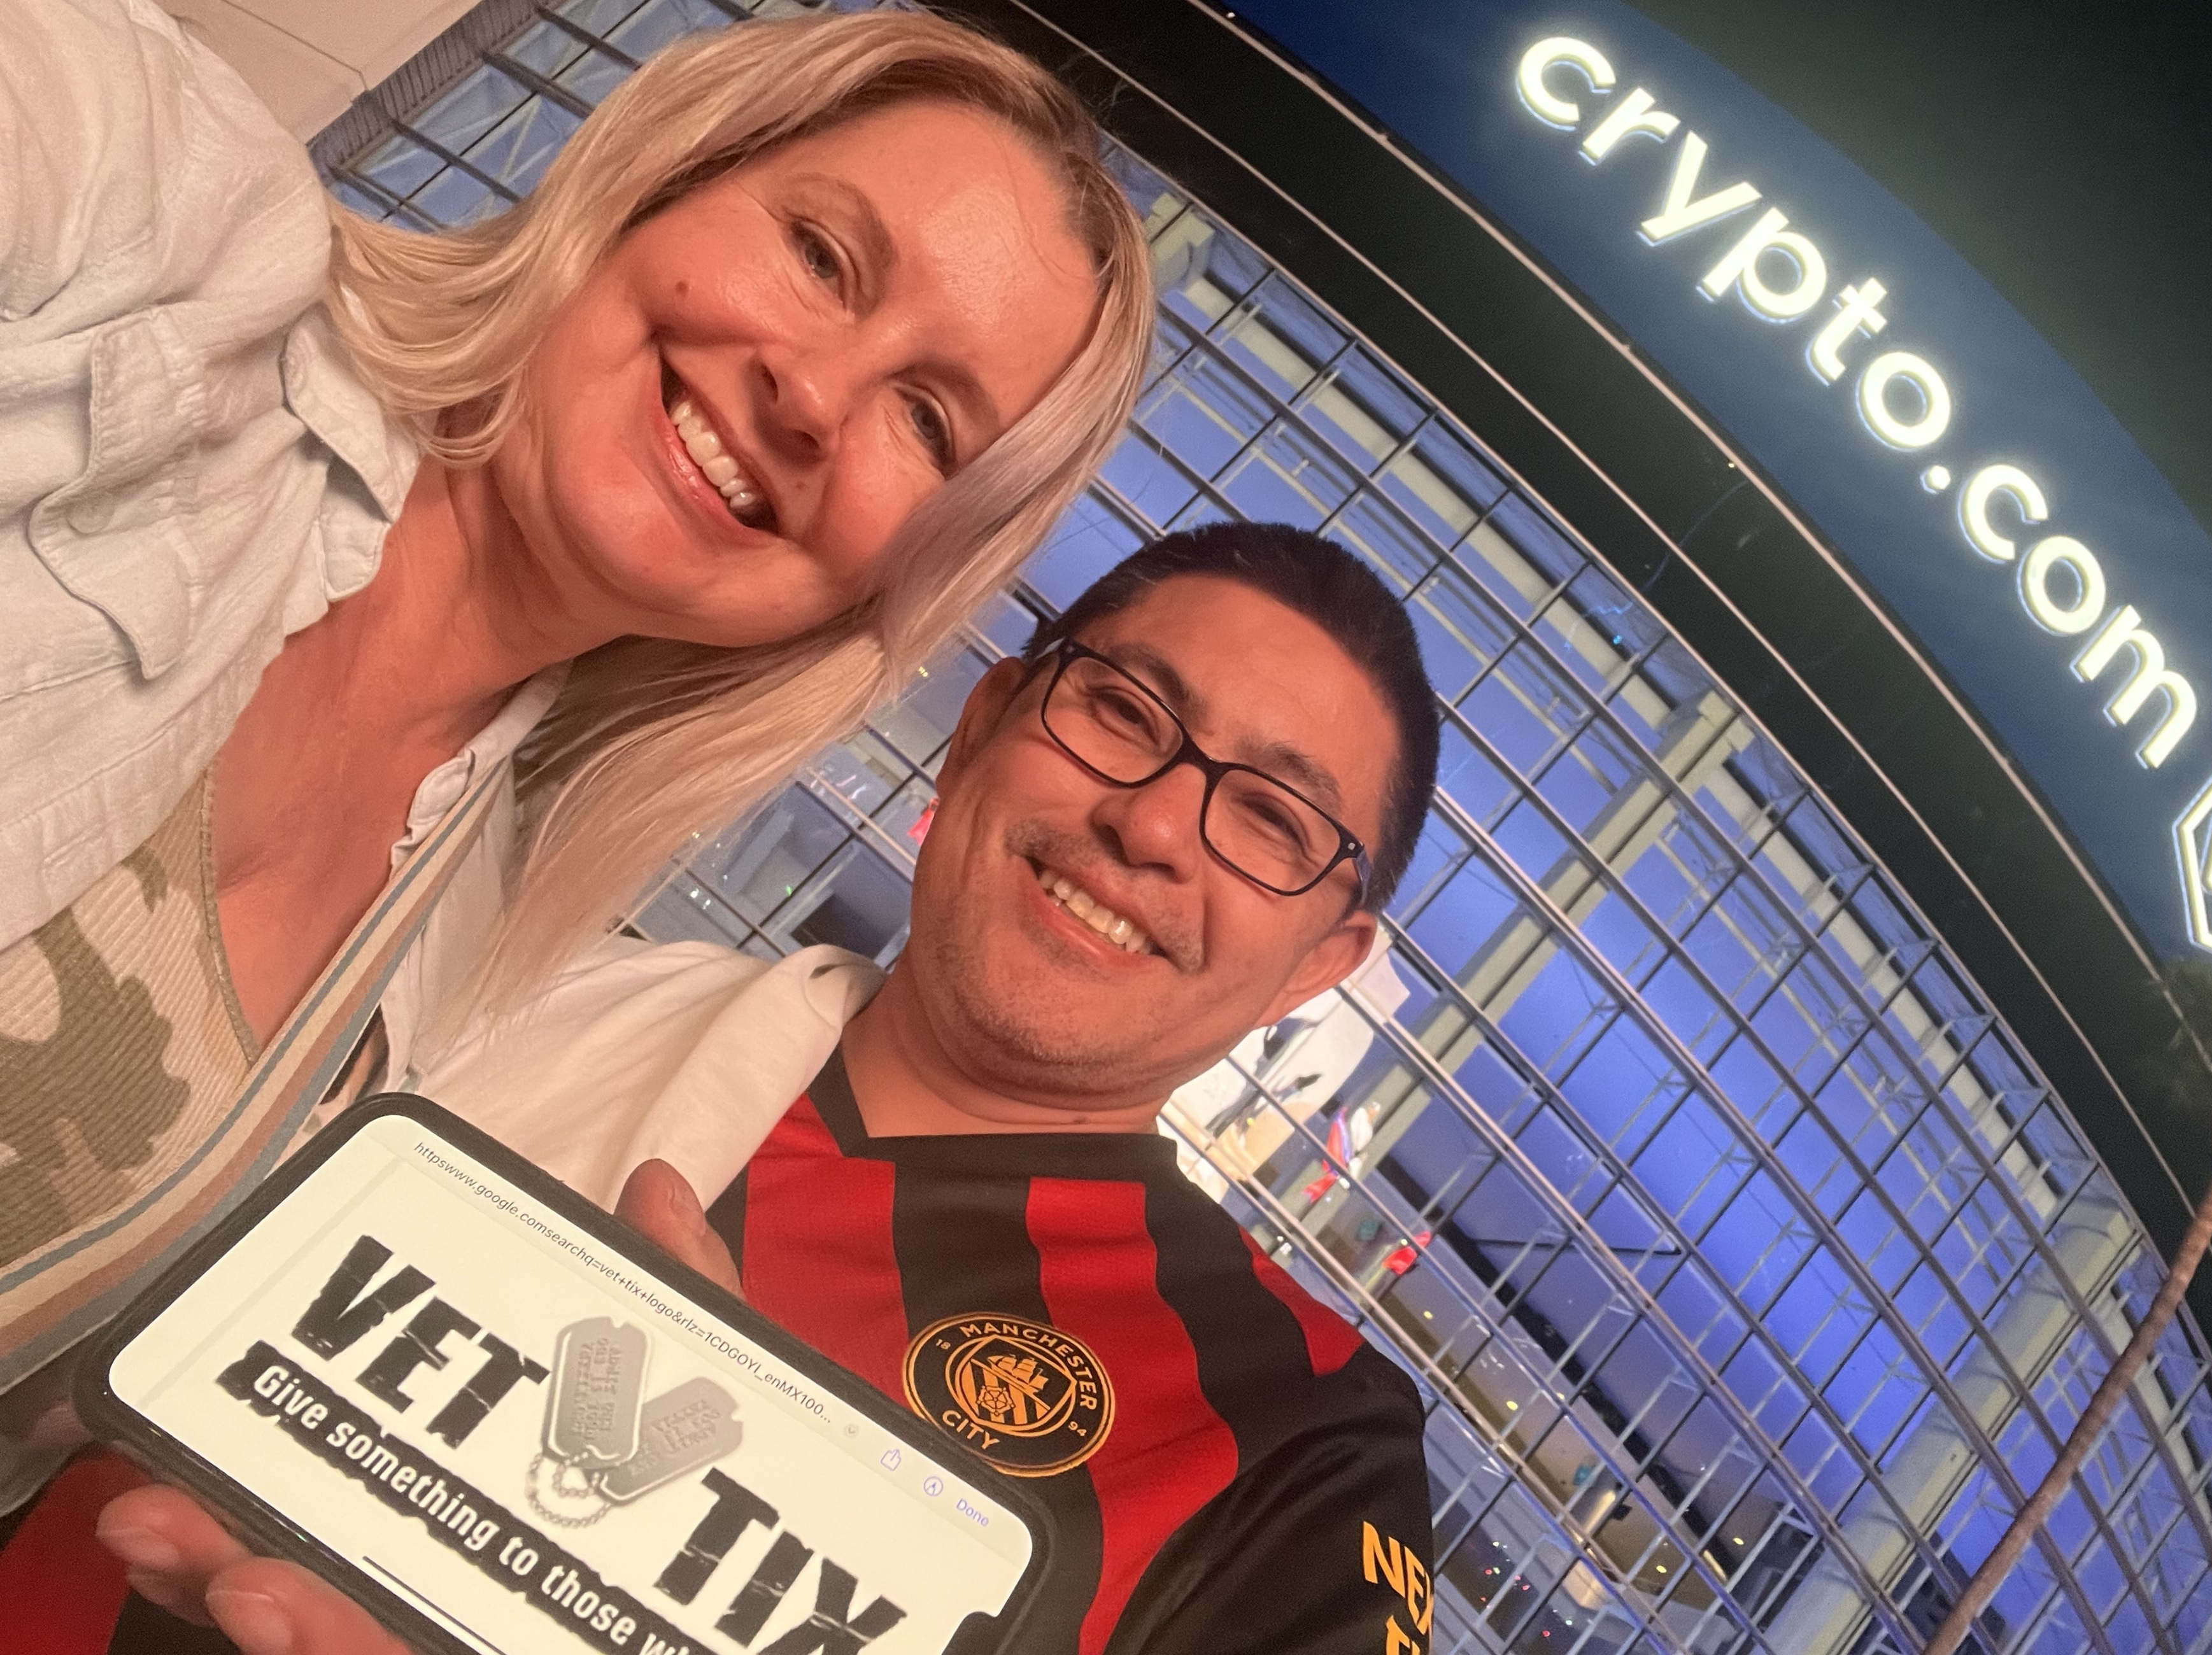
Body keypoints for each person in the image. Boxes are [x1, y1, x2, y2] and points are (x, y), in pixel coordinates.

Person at [0, 0, 1154, 1507]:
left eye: (929, 422)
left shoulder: (467, 938)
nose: (814, 397)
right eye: (821, 255)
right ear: (668, 174)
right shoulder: (154, 203)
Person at [80, 524, 1449, 1654]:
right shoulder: (513, 985)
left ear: (1313, 966)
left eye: (1271, 819)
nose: (1149, 821)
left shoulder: (1296, 1431)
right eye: (1124, 712)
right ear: (980, 728)